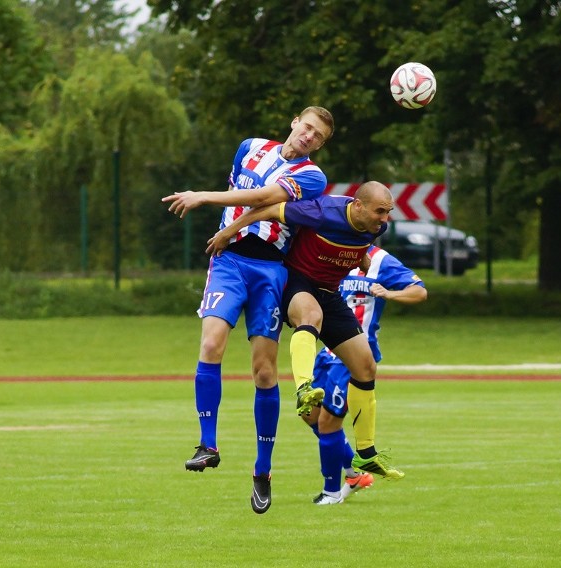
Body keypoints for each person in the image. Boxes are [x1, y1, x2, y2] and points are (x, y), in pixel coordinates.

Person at [161, 106, 335, 515]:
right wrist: (230, 231)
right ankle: (208, 444)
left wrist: (208, 202)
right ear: (294, 121)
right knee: (212, 343)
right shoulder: (250, 147)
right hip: (229, 262)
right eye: (307, 127)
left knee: (264, 371)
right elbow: (245, 197)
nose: (309, 137)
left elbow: (263, 200)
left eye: (319, 137)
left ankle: (263, 469)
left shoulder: (313, 176)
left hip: (270, 271)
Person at [206, 182, 406, 504]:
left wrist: (363, 261)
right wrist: (229, 232)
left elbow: (356, 250)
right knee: (309, 315)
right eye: (380, 211)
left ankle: (366, 452)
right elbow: (268, 209)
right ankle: (303, 389)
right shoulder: (322, 211)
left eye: (388, 211)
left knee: (365, 366)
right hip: (295, 284)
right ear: (357, 205)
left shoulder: (371, 227)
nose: (385, 218)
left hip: (329, 292)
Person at [305, 244, 427, 504]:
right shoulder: (331, 252)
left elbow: (419, 291)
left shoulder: (381, 260)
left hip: (353, 358)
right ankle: (354, 474)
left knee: (329, 423)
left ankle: (331, 491)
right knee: (309, 414)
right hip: (327, 352)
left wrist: (390, 294)